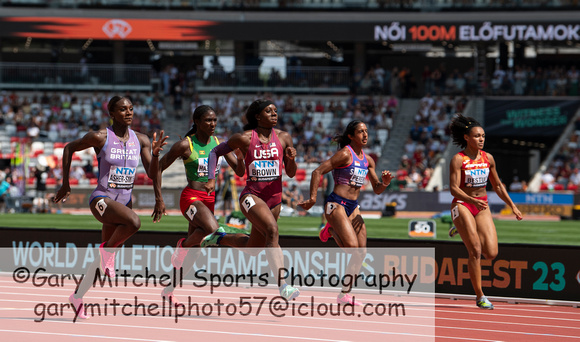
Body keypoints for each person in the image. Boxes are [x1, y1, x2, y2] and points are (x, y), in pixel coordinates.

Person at [54, 95, 167, 320]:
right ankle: (108, 252)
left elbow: (154, 173)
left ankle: (77, 297)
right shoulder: (100, 137)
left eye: (131, 108)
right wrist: (65, 183)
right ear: (112, 114)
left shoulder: (141, 140)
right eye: (123, 109)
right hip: (101, 199)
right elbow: (69, 148)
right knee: (134, 222)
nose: (129, 112)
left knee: (101, 260)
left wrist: (155, 162)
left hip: (124, 201)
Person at [202, 99, 300, 301]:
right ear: (257, 116)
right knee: (272, 230)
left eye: (275, 111)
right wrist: (211, 179)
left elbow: (290, 173)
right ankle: (283, 286)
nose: (274, 114)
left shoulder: (284, 138)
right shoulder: (244, 138)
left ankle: (219, 237)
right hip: (252, 196)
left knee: (253, 249)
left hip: (275, 200)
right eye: (268, 111)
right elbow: (215, 152)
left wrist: (291, 159)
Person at [151, 105, 245, 303]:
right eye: (208, 120)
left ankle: (169, 290)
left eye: (215, 120)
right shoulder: (186, 145)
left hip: (209, 202)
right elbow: (157, 169)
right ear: (197, 122)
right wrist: (159, 199)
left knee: (194, 253)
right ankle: (182, 245)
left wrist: (241, 157)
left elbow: (239, 171)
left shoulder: (219, 144)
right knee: (213, 230)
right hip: (191, 198)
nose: (213, 124)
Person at [299, 120, 393, 305]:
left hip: (353, 206)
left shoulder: (369, 160)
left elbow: (377, 189)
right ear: (351, 136)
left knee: (361, 253)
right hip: (336, 204)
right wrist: (312, 199)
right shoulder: (344, 154)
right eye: (360, 132)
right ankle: (331, 230)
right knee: (352, 248)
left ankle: (344, 294)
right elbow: (317, 172)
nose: (365, 135)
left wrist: (386, 182)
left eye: (366, 131)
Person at [447, 113, 522, 310]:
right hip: (462, 204)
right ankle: (480, 296)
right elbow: (454, 189)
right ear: (466, 138)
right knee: (475, 251)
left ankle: (461, 228)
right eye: (477, 136)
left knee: (491, 253)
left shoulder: (488, 158)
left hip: (482, 206)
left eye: (483, 136)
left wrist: (512, 205)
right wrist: (471, 200)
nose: (481, 139)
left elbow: (497, 186)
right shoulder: (458, 159)